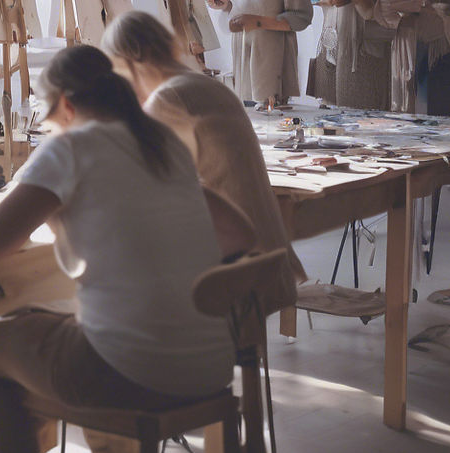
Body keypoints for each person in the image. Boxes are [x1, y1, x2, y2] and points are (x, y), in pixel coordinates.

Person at [0, 45, 236, 453]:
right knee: (88, 326)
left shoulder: (71, 146)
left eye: (45, 113)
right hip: (210, 366)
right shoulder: (163, 142)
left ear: (66, 105)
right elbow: (238, 233)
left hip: (135, 370)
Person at [103, 10, 306, 286]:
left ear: (132, 60)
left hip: (236, 267)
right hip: (267, 256)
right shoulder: (205, 85)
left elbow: (138, 185)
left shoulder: (168, 98)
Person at [208, 0, 313, 106]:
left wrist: (258, 22)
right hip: (242, 66)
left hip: (271, 66)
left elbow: (301, 17)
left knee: (272, 116)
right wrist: (225, 6)